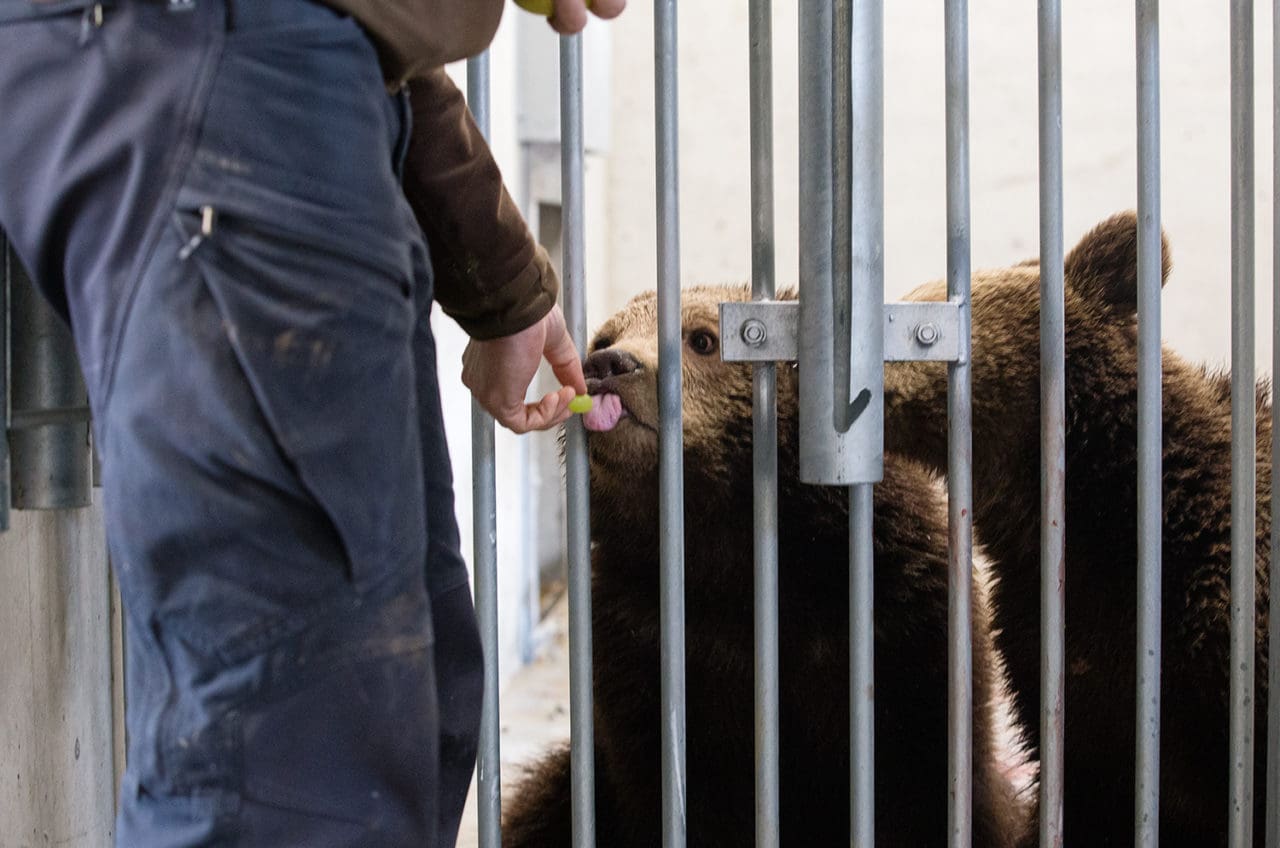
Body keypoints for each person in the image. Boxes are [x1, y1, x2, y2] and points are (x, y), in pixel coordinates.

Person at [0, 0, 622, 844]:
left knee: (418, 698)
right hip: (229, 83)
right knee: (293, 768)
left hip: (318, 100)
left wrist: (501, 281)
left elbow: (386, 38)